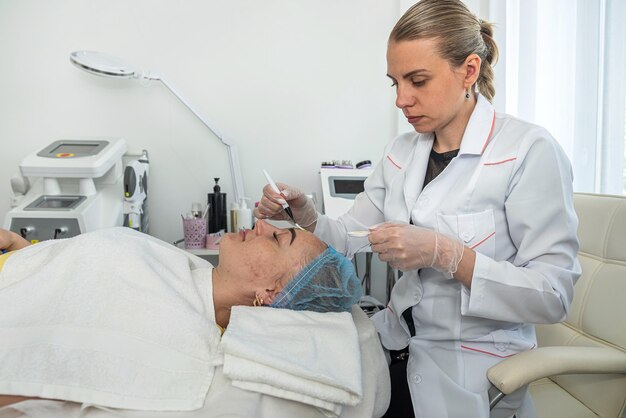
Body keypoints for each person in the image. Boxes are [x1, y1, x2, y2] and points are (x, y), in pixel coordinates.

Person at [254, 0, 581, 417]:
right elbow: (349, 237)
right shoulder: (401, 152)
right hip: (394, 347)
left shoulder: (527, 151)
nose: (401, 99)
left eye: (418, 81)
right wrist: (306, 216)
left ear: (469, 70)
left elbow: (552, 296)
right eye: (395, 82)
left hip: (473, 374)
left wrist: (447, 255)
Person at [0, 222, 366, 415]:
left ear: (270, 293)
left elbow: (36, 370)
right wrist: (31, 254)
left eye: (276, 239)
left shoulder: (176, 337)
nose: (260, 224)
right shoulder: (185, 267)